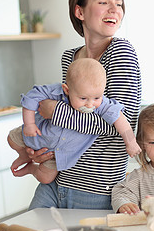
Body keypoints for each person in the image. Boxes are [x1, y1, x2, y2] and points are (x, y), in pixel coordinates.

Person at [25, 0, 142, 210]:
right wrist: (44, 146)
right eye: (103, 2)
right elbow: (72, 119)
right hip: (57, 179)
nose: (114, 9)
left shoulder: (120, 52)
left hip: (95, 189)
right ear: (80, 12)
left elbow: (119, 123)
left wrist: (54, 111)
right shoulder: (70, 57)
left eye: (119, 3)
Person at [8, 58, 141, 184]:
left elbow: (120, 118)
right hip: (37, 134)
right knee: (11, 139)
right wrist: (29, 124)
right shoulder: (56, 92)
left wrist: (131, 141)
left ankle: (31, 169)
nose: (90, 105)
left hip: (56, 154)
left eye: (96, 97)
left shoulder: (102, 105)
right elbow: (32, 96)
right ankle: (23, 155)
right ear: (67, 90)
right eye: (83, 98)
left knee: (45, 178)